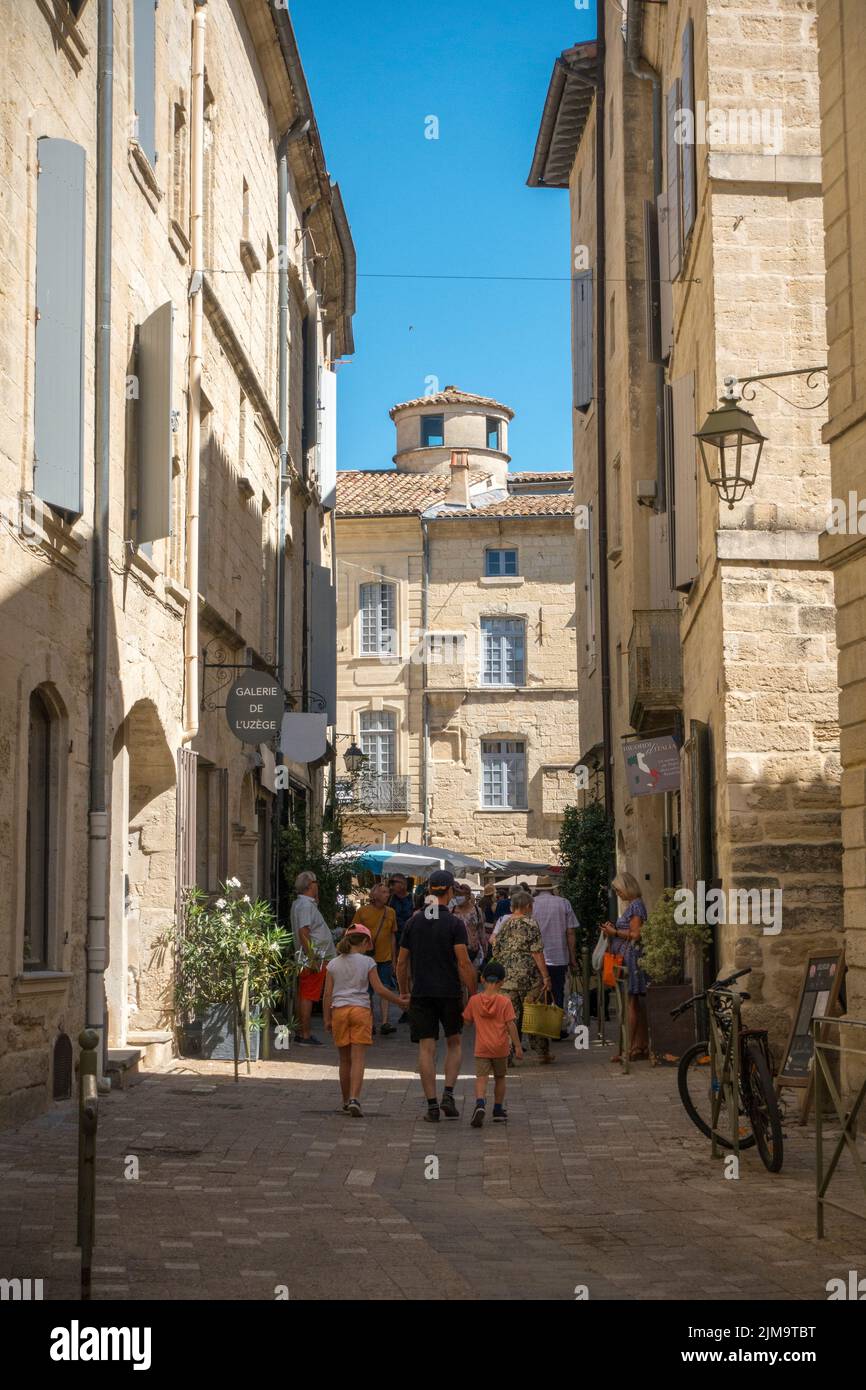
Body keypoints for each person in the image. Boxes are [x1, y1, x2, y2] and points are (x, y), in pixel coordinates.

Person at [397, 868, 477, 1122]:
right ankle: (449, 1094)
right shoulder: (455, 924)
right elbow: (464, 963)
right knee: (454, 1042)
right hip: (449, 991)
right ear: (451, 891)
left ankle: (432, 1104)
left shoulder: (414, 922)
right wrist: (473, 993)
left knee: (426, 1047)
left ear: (429, 890)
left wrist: (403, 991)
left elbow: (401, 963)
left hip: (421, 992)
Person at [322, 926, 409, 1117]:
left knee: (344, 1060)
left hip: (339, 1011)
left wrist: (327, 1018)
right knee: (358, 1058)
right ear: (364, 942)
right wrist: (399, 1001)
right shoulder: (368, 962)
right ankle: (355, 1098)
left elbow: (327, 994)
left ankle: (345, 1101)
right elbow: (379, 989)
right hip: (360, 1010)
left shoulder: (333, 964)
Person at [491, 889, 554, 1063]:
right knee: (535, 1014)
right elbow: (537, 952)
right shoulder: (530, 923)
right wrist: (546, 976)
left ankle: (507, 1056)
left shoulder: (505, 924)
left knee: (510, 1018)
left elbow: (495, 948)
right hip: (529, 978)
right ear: (527, 906)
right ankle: (542, 1053)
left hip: (506, 979)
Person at [463, 961, 522, 1127]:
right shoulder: (505, 1002)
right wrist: (517, 1046)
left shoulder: (474, 1001)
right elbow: (511, 1025)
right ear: (502, 982)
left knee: (481, 1078)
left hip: (481, 1048)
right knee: (500, 1077)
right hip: (500, 1048)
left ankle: (480, 1104)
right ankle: (497, 1109)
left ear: (482, 979)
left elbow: (466, 1021)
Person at [601, 871, 649, 1062]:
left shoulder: (636, 906)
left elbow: (636, 934)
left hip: (631, 959)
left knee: (631, 1004)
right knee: (635, 1003)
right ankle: (638, 1046)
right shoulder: (633, 905)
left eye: (618, 890)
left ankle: (628, 1049)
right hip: (628, 957)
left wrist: (614, 932)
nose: (617, 893)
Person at [290, 870, 336, 1046]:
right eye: (316, 882)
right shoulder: (305, 906)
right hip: (314, 958)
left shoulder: (304, 904)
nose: (318, 885)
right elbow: (304, 932)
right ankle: (305, 1034)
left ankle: (302, 1031)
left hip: (312, 957)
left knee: (305, 994)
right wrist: (313, 957)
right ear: (310, 885)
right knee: (308, 995)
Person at [532, 876, 579, 1038]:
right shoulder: (563, 903)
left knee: (539, 991)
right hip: (559, 955)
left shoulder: (531, 904)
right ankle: (557, 1028)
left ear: (537, 889)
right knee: (558, 991)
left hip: (537, 957)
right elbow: (570, 932)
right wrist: (572, 957)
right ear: (552, 888)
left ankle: (542, 1028)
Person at [352, 883, 399, 1035]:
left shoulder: (390, 912)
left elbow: (393, 935)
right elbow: (353, 932)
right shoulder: (363, 912)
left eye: (387, 892)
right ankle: (369, 1021)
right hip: (366, 958)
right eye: (384, 892)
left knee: (384, 989)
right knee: (368, 991)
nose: (387, 895)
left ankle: (385, 1022)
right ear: (375, 895)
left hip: (384, 958)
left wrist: (394, 958)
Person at [388, 874, 415, 1024]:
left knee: (411, 975)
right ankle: (406, 1008)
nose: (391, 886)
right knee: (402, 976)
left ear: (404, 884)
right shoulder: (391, 900)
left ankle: (413, 1007)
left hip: (413, 941)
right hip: (398, 941)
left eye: (395, 882)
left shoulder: (414, 899)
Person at [450, 882, 487, 968]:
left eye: (461, 895)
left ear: (468, 896)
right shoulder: (451, 911)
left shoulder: (477, 911)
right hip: (456, 952)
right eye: (456, 895)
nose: (458, 898)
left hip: (474, 951)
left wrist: (484, 950)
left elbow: (481, 931)